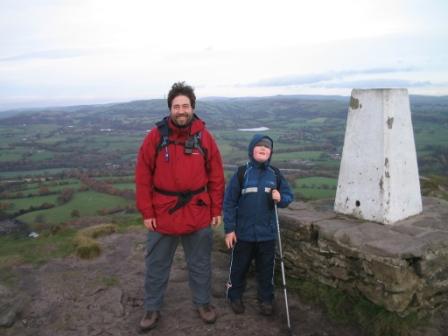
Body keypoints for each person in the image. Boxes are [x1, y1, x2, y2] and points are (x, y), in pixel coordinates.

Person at [135, 82, 225, 332]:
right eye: (177, 106)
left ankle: (203, 303)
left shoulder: (204, 137)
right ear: (170, 109)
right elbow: (143, 176)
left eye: (185, 105)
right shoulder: (155, 137)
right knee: (157, 264)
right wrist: (147, 211)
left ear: (193, 108)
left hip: (197, 210)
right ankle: (152, 308)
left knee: (200, 263)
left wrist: (216, 209)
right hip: (163, 213)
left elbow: (216, 176)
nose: (181, 110)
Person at [223, 134, 293, 316]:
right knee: (239, 267)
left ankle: (266, 299)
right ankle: (234, 296)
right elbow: (229, 202)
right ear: (251, 149)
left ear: (270, 152)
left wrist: (281, 198)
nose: (263, 149)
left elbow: (288, 196)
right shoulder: (241, 173)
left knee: (266, 269)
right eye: (259, 145)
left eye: (267, 147)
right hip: (243, 233)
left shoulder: (275, 174)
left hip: (267, 234)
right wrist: (229, 230)